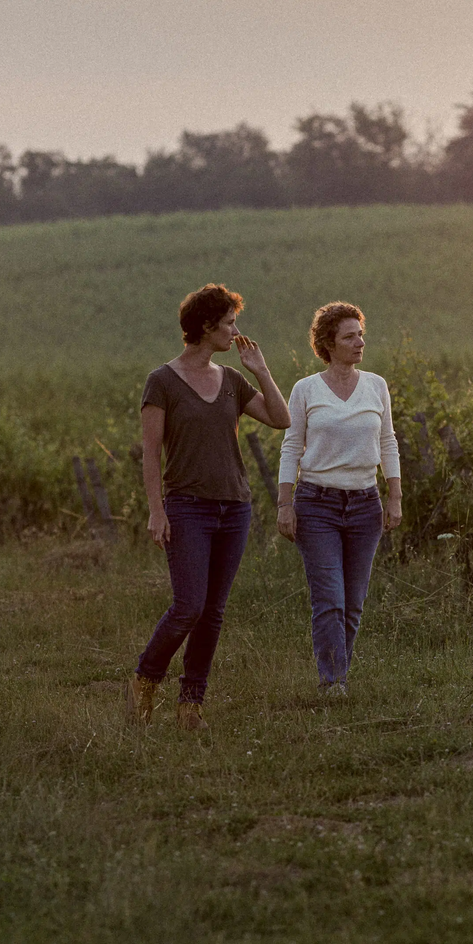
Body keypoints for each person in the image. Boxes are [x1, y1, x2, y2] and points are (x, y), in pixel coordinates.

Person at [127, 282, 290, 731]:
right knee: (188, 606)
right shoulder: (161, 382)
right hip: (187, 508)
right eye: (229, 323)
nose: (236, 331)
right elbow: (151, 452)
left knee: (213, 611)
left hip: (234, 508)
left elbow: (282, 419)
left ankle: (191, 705)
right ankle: (145, 677)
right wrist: (155, 510)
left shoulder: (233, 380)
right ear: (205, 326)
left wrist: (261, 370)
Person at [277, 301, 402, 696]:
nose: (359, 342)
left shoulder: (376, 385)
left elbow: (388, 442)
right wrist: (285, 503)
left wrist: (394, 496)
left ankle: (337, 674)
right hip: (317, 506)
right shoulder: (306, 390)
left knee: (353, 601)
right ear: (328, 343)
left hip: (366, 505)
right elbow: (291, 446)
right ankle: (334, 682)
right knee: (329, 596)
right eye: (350, 336)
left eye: (361, 334)